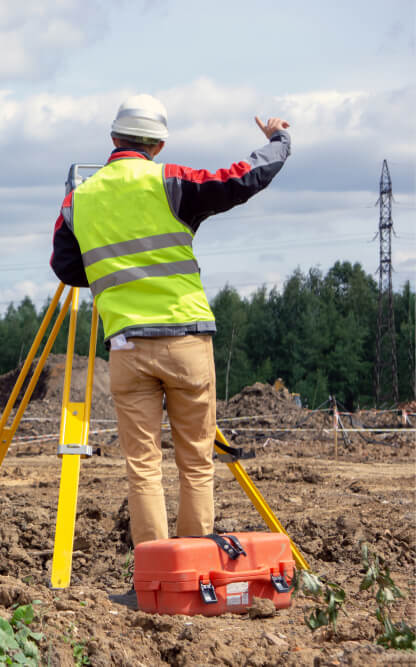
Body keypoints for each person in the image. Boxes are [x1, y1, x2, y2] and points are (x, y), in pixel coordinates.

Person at [51, 94, 290, 549]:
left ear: (113, 138)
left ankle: (154, 572)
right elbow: (240, 179)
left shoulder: (78, 200)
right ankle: (193, 568)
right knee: (196, 462)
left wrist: (113, 276)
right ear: (159, 145)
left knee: (142, 465)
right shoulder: (172, 182)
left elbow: (65, 266)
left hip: (126, 347)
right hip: (186, 342)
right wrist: (279, 141)